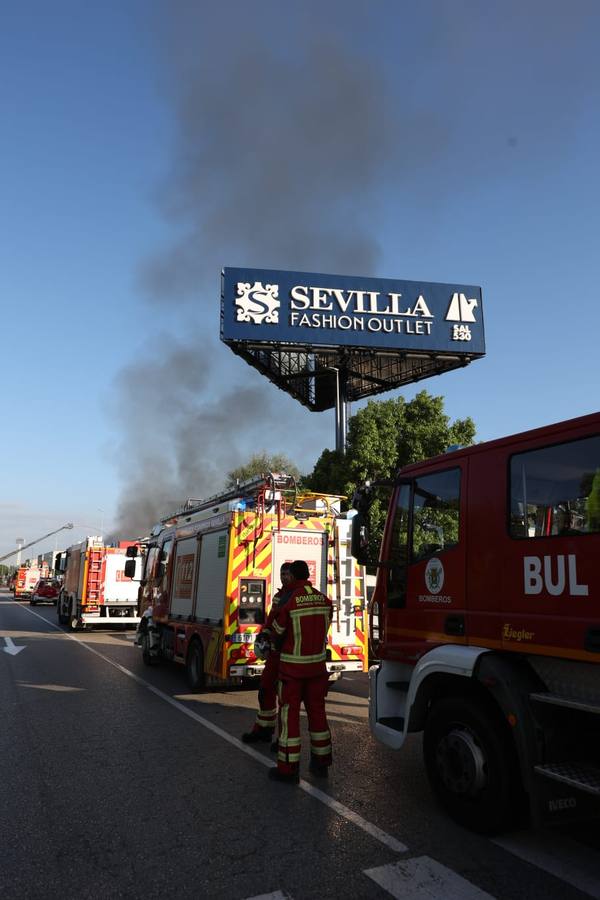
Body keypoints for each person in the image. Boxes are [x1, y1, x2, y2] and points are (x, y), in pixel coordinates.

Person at [268, 559, 333, 784]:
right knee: (318, 715)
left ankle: (288, 769)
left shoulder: (291, 601)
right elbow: (325, 626)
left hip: (292, 671)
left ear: (294, 576)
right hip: (317, 669)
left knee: (289, 718)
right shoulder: (324, 600)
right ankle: (321, 764)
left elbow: (277, 631)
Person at [241, 562, 294, 746]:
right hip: (274, 652)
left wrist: (273, 635)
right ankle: (263, 729)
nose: (284, 577)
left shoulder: (294, 596)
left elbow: (284, 625)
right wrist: (263, 634)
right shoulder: (280, 596)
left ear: (293, 576)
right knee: (265, 689)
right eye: (282, 574)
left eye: (287, 574)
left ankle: (283, 739)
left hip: (287, 653)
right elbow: (271, 619)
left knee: (285, 699)